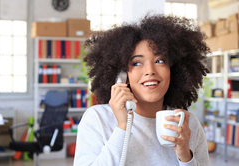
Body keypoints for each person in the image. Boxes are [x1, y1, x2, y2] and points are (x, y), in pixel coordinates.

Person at [74, 14, 210, 166]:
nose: (150, 71)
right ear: (122, 75)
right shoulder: (98, 119)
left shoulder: (188, 124)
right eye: (137, 63)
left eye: (159, 61)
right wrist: (122, 127)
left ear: (175, 70)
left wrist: (185, 157)